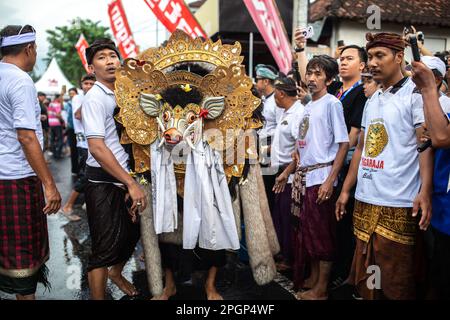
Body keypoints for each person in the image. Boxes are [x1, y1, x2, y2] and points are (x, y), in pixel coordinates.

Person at [336, 32, 433, 300]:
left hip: (398, 201)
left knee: (396, 278)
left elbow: (424, 147)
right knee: (367, 278)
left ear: (399, 57)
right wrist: (346, 190)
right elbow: (362, 148)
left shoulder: (414, 95)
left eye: (380, 56)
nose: (373, 63)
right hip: (366, 197)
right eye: (370, 57)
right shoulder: (373, 99)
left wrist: (424, 191)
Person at [82, 38, 147, 300]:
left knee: (132, 234)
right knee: (103, 247)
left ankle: (116, 273)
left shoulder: (124, 92)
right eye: (101, 58)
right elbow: (97, 148)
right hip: (103, 182)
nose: (109, 61)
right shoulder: (94, 98)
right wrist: (130, 183)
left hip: (128, 175)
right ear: (91, 66)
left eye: (112, 55)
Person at [0, 24, 61, 300]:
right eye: (35, 49)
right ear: (29, 49)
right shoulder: (20, 80)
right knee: (22, 260)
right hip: (16, 178)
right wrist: (49, 184)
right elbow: (26, 137)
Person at [290, 55, 349, 300]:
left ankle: (322, 289)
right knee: (309, 233)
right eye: (310, 73)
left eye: (318, 74)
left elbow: (343, 144)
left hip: (321, 178)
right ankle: (314, 279)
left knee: (322, 235)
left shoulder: (331, 104)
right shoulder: (308, 105)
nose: (311, 78)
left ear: (329, 79)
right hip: (305, 178)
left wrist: (329, 180)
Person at [411, 57, 450, 299]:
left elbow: (441, 137)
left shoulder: (437, 98)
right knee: (438, 272)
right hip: (443, 205)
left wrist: (427, 89)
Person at [270, 76, 304, 271]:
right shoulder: (286, 111)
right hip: (281, 172)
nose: (274, 98)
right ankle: (284, 254)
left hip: (290, 176)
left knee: (288, 217)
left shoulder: (298, 114)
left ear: (281, 93)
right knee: (280, 217)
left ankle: (290, 260)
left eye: (275, 94)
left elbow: (301, 150)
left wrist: (287, 172)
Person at [59, 74, 96, 221]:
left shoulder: (94, 96)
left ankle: (89, 203)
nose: (88, 86)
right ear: (81, 85)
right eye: (86, 83)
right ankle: (67, 206)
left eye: (91, 84)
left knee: (95, 175)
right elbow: (78, 115)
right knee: (85, 175)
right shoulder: (78, 98)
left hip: (96, 142)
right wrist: (90, 96)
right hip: (84, 144)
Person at [255, 64, 284, 214]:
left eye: (258, 79)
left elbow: (280, 128)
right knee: (262, 188)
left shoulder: (277, 100)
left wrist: (270, 151)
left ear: (266, 81)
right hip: (262, 146)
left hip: (271, 146)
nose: (256, 82)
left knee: (268, 187)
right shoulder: (265, 99)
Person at [47, 92, 64, 159]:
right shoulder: (57, 104)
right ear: (58, 97)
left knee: (52, 139)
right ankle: (58, 154)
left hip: (51, 123)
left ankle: (54, 154)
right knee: (60, 140)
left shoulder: (51, 103)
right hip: (57, 123)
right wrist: (62, 120)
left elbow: (48, 113)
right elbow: (58, 115)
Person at [67, 87, 79, 175]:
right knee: (73, 149)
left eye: (73, 93)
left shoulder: (80, 102)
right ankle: (75, 169)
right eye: (70, 93)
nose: (72, 95)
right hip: (71, 129)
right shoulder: (68, 103)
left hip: (80, 129)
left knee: (82, 150)